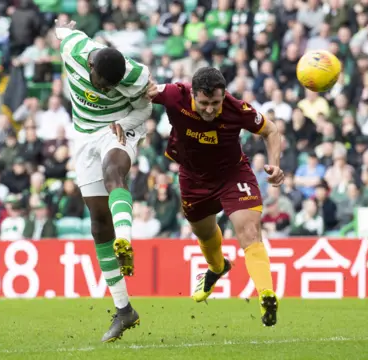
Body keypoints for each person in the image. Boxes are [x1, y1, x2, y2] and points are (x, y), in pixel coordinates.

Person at [147, 67, 284, 327]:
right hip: (193, 178)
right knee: (204, 233)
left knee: (249, 231)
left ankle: (266, 293)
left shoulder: (237, 109)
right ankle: (217, 267)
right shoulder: (175, 94)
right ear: (193, 95)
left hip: (233, 175)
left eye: (215, 103)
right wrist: (117, 121)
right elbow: (140, 92)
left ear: (224, 96)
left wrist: (275, 164)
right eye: (204, 103)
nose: (210, 109)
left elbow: (272, 131)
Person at [55, 19, 153, 342]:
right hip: (83, 136)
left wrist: (124, 123)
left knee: (114, 170)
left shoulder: (135, 75)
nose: (107, 89)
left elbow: (145, 109)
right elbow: (64, 31)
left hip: (119, 127)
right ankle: (124, 310)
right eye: (102, 83)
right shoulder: (73, 48)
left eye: (114, 85)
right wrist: (63, 27)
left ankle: (125, 239)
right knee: (98, 222)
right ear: (90, 65)